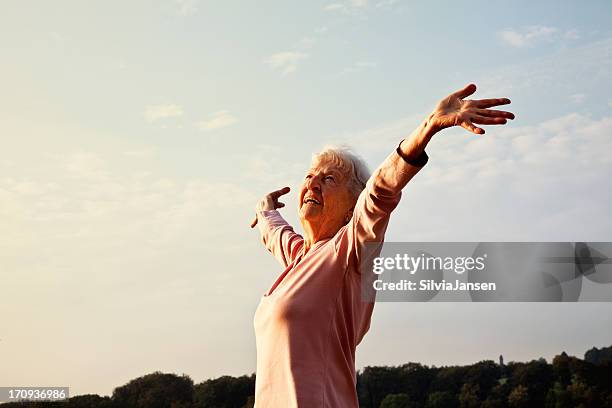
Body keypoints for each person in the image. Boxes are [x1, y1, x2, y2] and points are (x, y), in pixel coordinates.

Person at [250, 83, 514, 407]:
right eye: (310, 175)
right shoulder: (301, 258)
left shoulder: (346, 253)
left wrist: (428, 127)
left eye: (329, 179)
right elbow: (276, 234)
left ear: (352, 207)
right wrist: (265, 211)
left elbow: (380, 193)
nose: (313, 182)